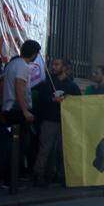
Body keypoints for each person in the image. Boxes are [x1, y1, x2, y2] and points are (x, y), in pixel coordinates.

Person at [31, 57, 81, 186]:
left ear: (65, 68)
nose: (53, 67)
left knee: (63, 150)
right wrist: (52, 100)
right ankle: (39, 175)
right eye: (53, 64)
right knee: (45, 149)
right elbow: (39, 101)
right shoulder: (46, 84)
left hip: (66, 122)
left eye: (57, 64)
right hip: (49, 120)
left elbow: (79, 104)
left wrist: (68, 100)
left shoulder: (72, 86)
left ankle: (62, 175)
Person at [1, 40, 41, 186]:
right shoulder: (23, 66)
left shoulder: (12, 64)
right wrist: (25, 111)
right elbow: (19, 88)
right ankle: (12, 179)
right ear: (35, 53)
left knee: (12, 145)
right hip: (17, 110)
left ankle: (9, 178)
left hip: (8, 108)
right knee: (19, 145)